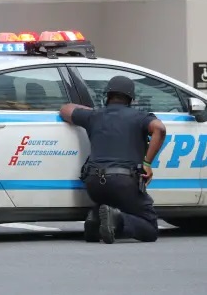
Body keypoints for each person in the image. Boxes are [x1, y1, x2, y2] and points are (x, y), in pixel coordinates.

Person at [59, 76, 166, 244]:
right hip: (124, 182)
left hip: (94, 184)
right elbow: (159, 128)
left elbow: (65, 109)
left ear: (107, 96)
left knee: (111, 203)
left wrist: (93, 111)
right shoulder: (140, 117)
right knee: (150, 228)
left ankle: (96, 219)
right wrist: (147, 164)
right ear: (132, 99)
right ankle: (116, 220)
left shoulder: (94, 116)